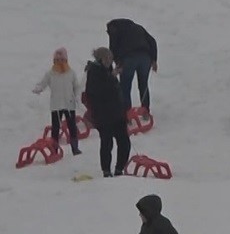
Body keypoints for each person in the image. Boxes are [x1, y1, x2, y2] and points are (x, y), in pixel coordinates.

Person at [83, 47, 130, 177]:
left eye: (111, 58)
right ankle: (106, 170)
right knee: (107, 143)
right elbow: (99, 92)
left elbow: (116, 93)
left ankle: (119, 168)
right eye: (107, 58)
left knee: (124, 142)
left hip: (117, 114)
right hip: (103, 116)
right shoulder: (94, 72)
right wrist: (112, 77)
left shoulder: (108, 71)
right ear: (100, 59)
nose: (110, 61)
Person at [32, 47, 81, 155]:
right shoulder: (50, 74)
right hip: (56, 105)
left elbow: (76, 87)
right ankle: (54, 149)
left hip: (69, 105)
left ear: (66, 60)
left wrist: (77, 97)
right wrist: (38, 88)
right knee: (55, 128)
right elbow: (42, 83)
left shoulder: (71, 73)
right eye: (57, 60)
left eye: (62, 60)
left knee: (72, 127)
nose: (59, 62)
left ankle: (75, 147)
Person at [105, 18, 157, 111]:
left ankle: (126, 112)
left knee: (125, 87)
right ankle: (145, 110)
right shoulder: (138, 28)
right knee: (143, 85)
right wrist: (154, 59)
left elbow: (113, 48)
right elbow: (152, 41)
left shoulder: (114, 29)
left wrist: (116, 64)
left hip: (129, 59)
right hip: (145, 58)